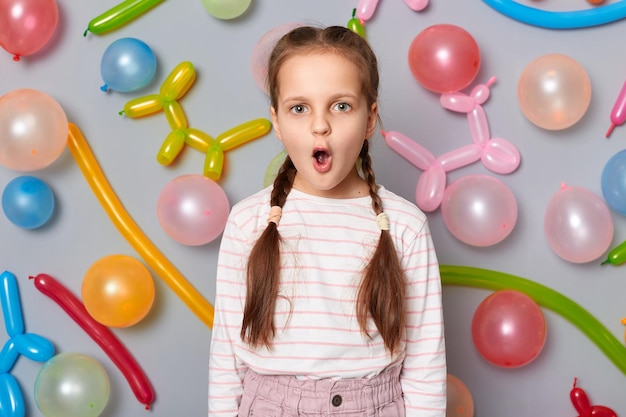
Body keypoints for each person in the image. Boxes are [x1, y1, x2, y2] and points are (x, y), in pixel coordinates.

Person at [208, 25, 446, 417]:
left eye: (341, 106)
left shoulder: (405, 225)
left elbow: (425, 364)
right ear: (278, 122)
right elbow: (226, 356)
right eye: (299, 108)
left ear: (370, 119)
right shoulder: (247, 221)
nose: (320, 125)